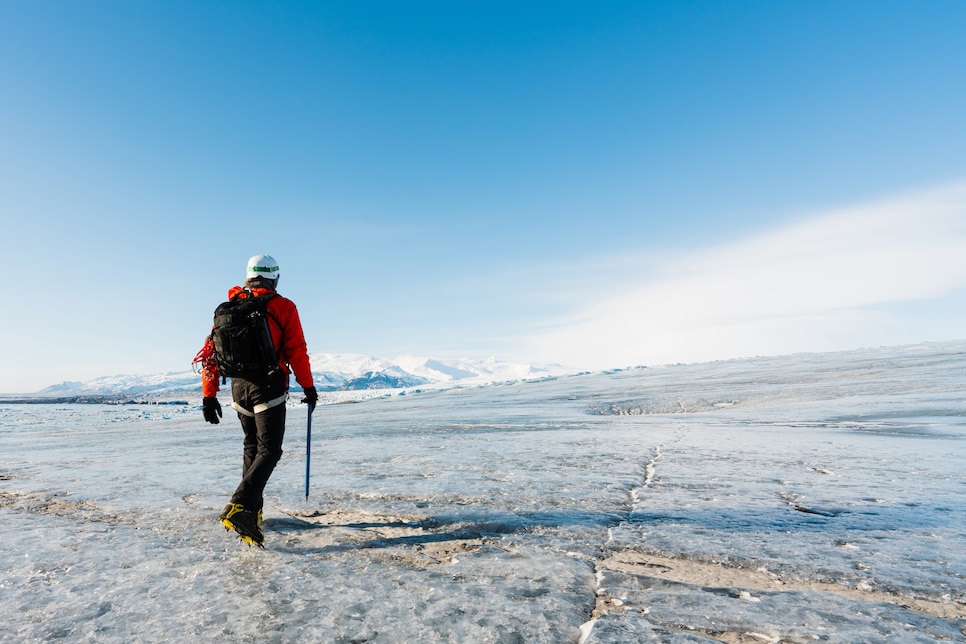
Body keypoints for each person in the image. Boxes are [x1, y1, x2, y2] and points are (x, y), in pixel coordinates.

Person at [195, 254, 317, 546]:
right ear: (274, 277)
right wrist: (308, 387)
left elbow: (209, 353)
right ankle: (240, 505)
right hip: (268, 386)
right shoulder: (283, 307)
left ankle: (252, 512)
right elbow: (297, 350)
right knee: (270, 450)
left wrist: (209, 396)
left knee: (253, 446)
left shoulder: (230, 307)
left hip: (239, 388)